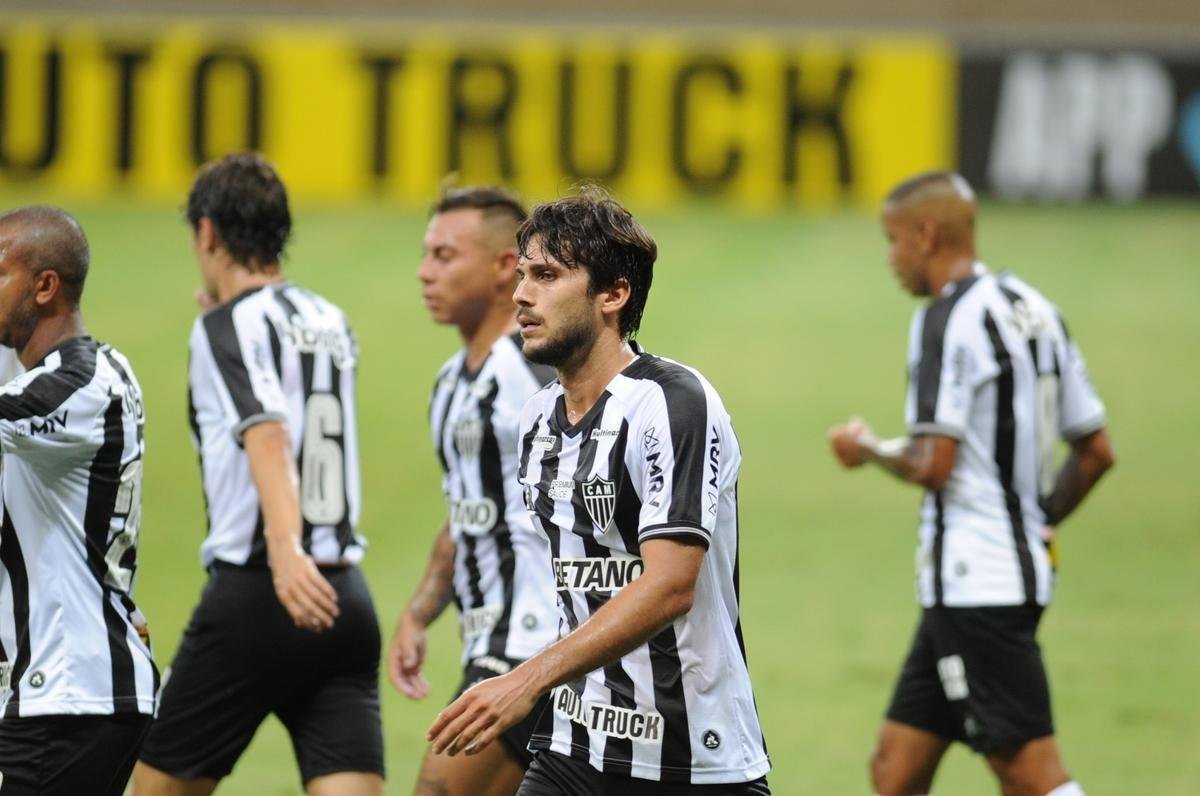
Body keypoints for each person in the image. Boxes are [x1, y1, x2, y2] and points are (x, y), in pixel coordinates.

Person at [426, 189, 771, 795]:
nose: (522, 294)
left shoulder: (672, 404)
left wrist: (526, 678)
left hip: (689, 758)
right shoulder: (538, 419)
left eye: (547, 276)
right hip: (575, 745)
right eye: (523, 274)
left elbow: (670, 586)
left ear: (613, 295)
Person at [827, 171, 1115, 796]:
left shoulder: (947, 317)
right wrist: (1038, 520)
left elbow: (934, 464)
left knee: (1031, 775)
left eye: (893, 240)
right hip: (995, 576)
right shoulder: (1033, 308)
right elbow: (1096, 451)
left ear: (927, 235)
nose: (891, 258)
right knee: (895, 770)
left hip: (975, 583)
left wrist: (868, 449)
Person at [134, 153, 384, 796]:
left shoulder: (225, 326)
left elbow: (267, 433)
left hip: (263, 590)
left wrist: (284, 552)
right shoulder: (329, 318)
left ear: (207, 232)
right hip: (345, 598)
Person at [389, 185, 559, 795]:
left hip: (536, 646)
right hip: (492, 640)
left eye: (444, 255)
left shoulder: (541, 373)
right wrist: (419, 612)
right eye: (425, 254)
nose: (424, 271)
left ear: (503, 267)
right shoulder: (451, 384)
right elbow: (471, 511)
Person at [0, 206, 157, 795]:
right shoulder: (87, 371)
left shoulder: (79, 384)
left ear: (45, 286)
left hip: (68, 694)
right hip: (62, 690)